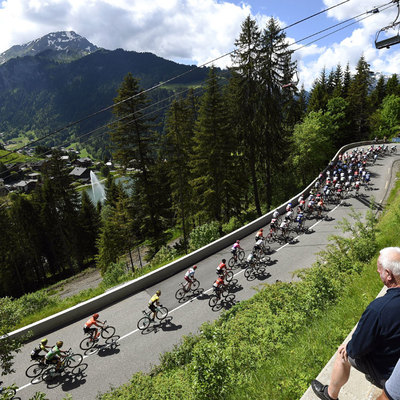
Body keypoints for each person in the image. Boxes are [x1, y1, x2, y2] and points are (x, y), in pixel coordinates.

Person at [311, 247, 400, 400]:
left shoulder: (378, 309)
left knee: (344, 352)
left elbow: (356, 350)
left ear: (388, 275)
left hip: (390, 374)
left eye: (379, 269)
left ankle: (330, 395)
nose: (378, 272)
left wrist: (349, 347)